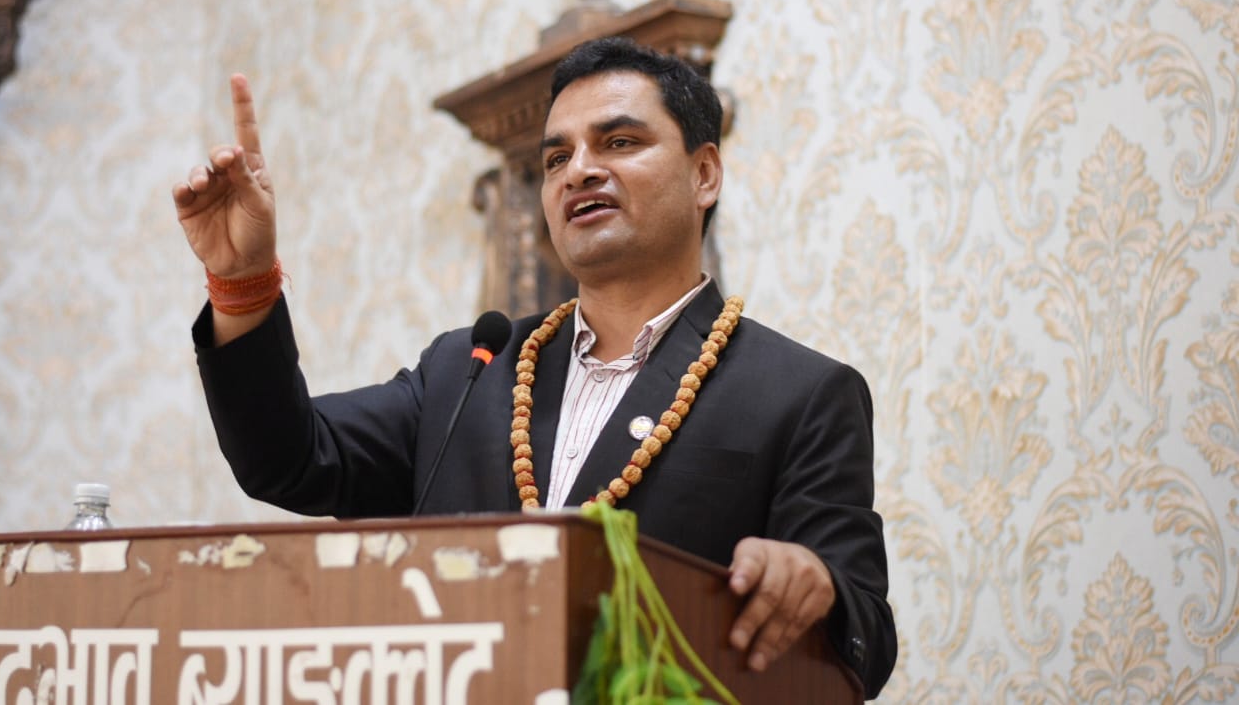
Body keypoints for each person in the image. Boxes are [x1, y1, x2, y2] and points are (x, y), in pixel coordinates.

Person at [172, 37, 897, 697]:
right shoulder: (470, 369)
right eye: (556, 158)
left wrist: (821, 586)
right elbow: (290, 458)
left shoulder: (801, 393)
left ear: (704, 173)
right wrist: (243, 283)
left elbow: (866, 640)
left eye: (619, 141)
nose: (579, 170)